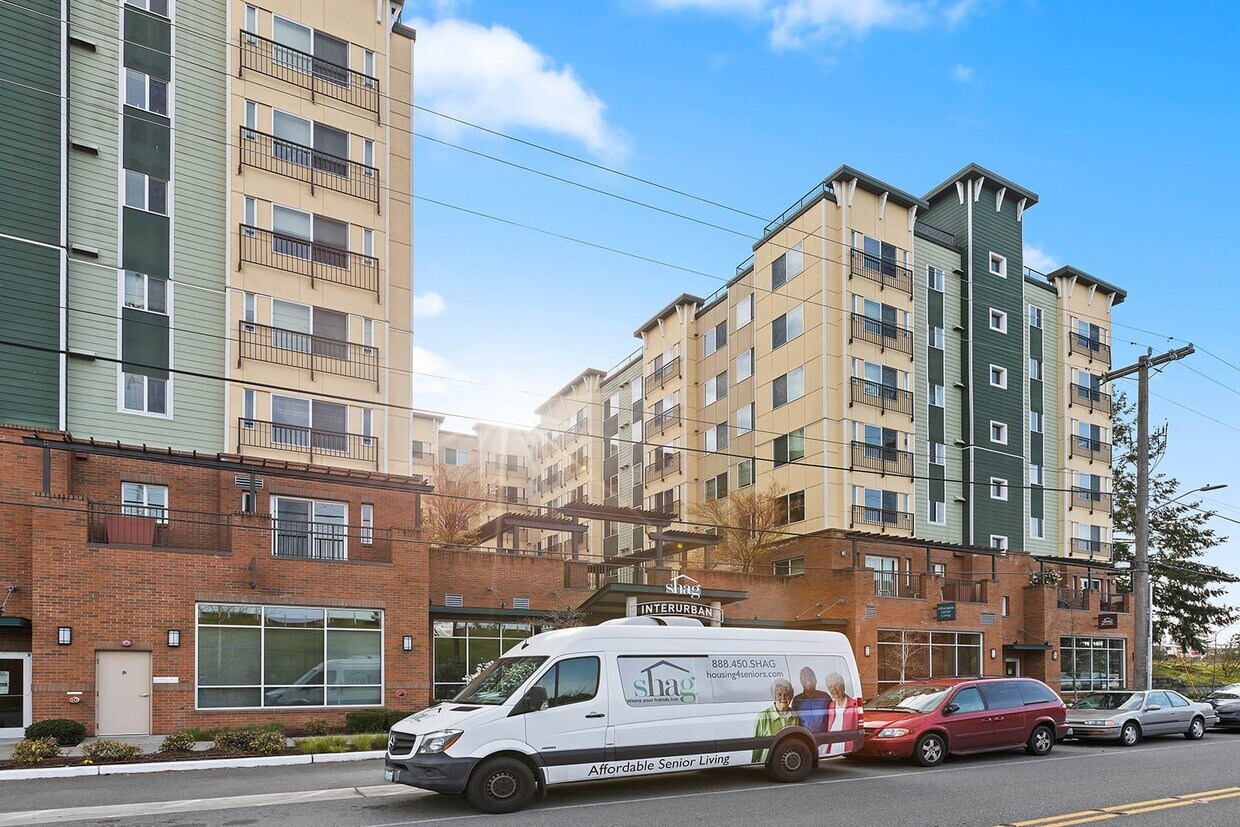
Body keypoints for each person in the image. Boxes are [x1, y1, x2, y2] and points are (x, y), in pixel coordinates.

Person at [752, 677, 800, 763]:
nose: (783, 698)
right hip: (767, 764)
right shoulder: (763, 716)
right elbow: (756, 746)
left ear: (790, 697)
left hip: (786, 763)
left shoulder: (794, 714)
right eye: (779, 694)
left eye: (786, 694)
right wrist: (754, 763)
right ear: (774, 696)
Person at [823, 671, 860, 756]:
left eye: (836, 685)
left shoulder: (854, 704)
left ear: (843, 686)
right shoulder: (831, 705)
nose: (834, 689)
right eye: (830, 687)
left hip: (846, 743)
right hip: (833, 743)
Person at [791, 666, 830, 732]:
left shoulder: (825, 697)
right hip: (805, 739)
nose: (808, 678)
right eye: (804, 676)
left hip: (824, 738)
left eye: (810, 676)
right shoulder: (797, 700)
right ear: (801, 682)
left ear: (816, 680)